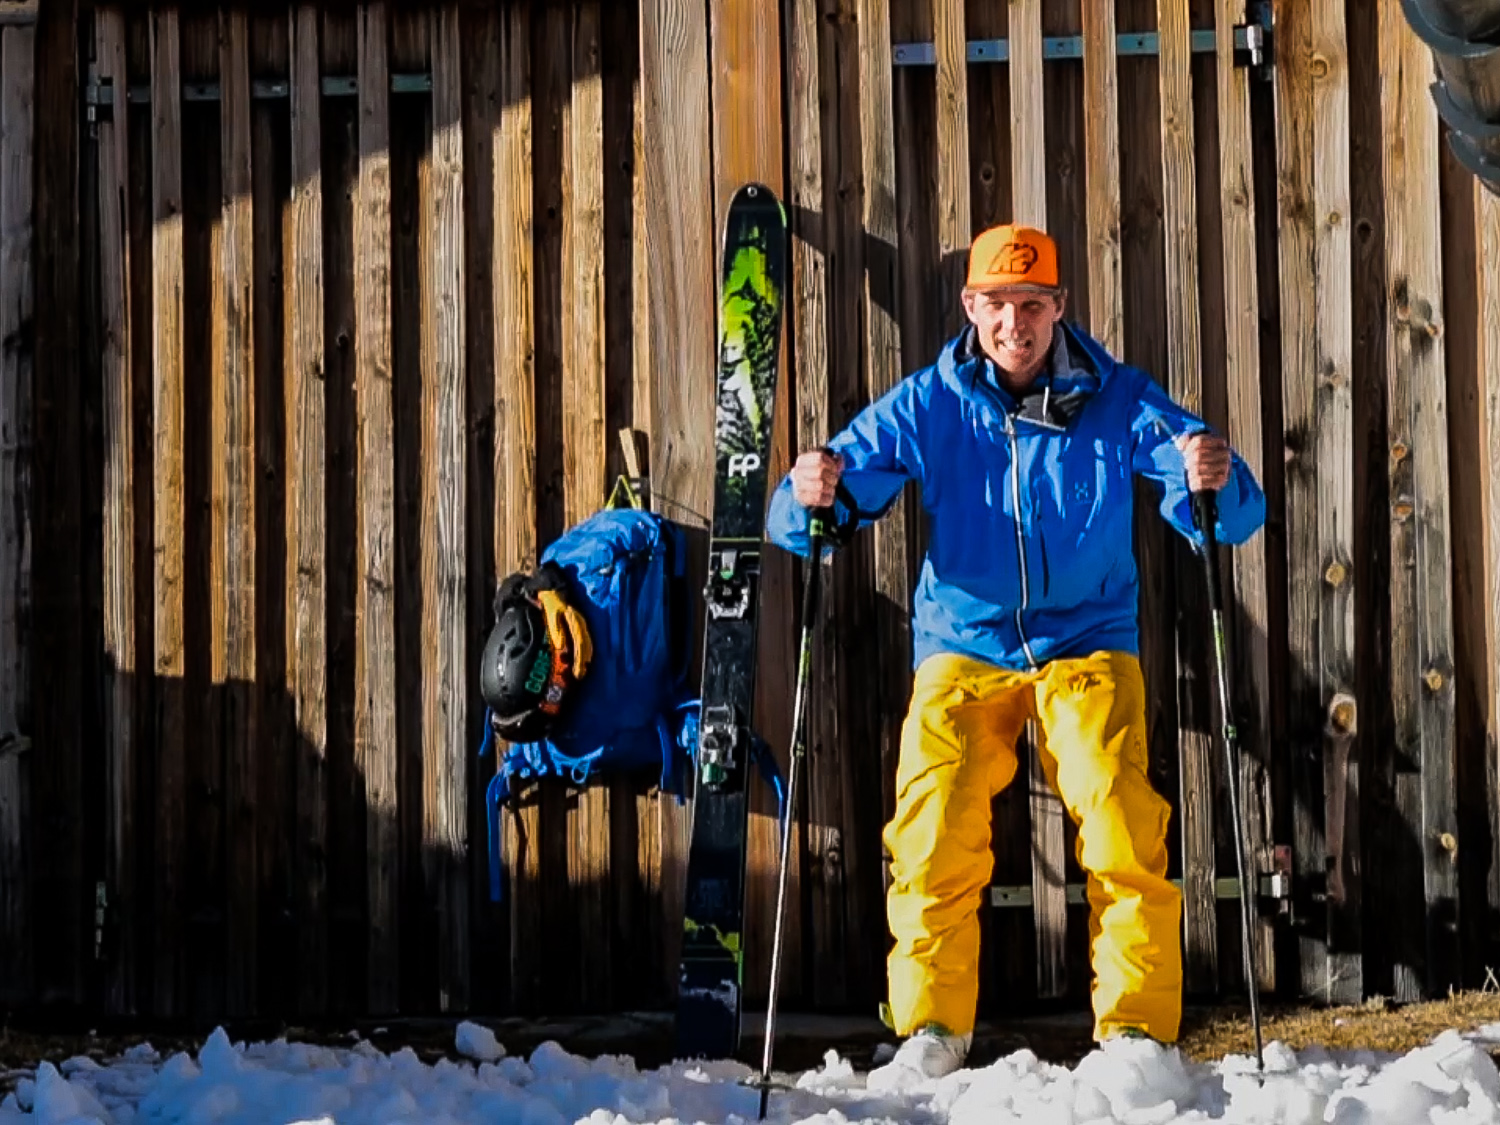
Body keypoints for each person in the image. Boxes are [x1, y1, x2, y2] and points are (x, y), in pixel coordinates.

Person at [764, 222, 1266, 1087]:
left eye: (1032, 305)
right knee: (933, 824)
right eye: (997, 304)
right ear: (971, 308)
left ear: (1060, 308)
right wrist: (812, 492)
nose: (1015, 324)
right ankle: (929, 1022)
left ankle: (1138, 1034)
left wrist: (1209, 472)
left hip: (1088, 639)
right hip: (964, 644)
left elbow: (1231, 507)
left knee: (1118, 813)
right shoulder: (932, 399)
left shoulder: (1120, 396)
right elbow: (811, 504)